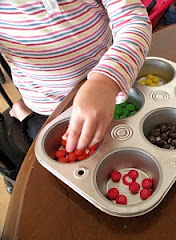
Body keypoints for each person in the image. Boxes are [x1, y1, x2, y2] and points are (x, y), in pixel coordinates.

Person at [0, 0, 152, 153]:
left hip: (106, 82)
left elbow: (133, 20)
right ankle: (23, 114)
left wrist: (105, 81)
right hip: (47, 101)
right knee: (41, 138)